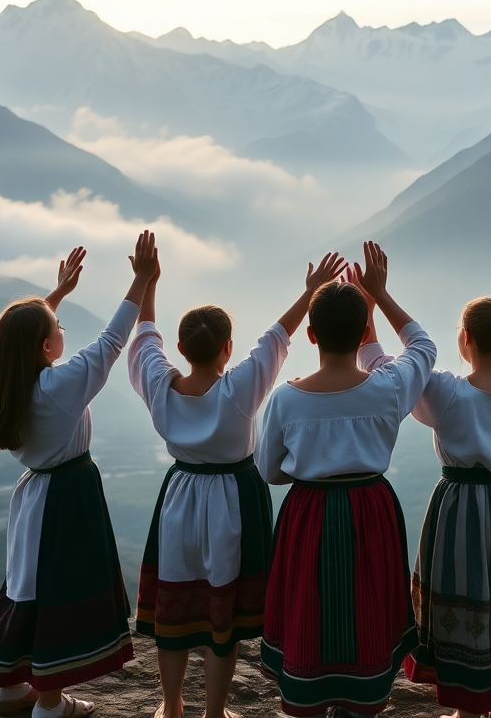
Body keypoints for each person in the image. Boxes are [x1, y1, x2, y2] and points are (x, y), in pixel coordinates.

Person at [129, 252, 348, 718]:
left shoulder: (160, 387)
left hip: (180, 498)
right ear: (228, 348)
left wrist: (146, 282)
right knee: (219, 617)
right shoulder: (239, 389)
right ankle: (214, 713)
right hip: (233, 498)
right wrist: (311, 291)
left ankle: (170, 707)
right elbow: (276, 338)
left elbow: (145, 338)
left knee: (176, 607)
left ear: (183, 351)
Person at [0, 233, 157, 718]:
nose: (64, 332)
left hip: (35, 499)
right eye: (58, 326)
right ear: (45, 344)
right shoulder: (56, 387)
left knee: (25, 587)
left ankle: (10, 689)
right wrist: (139, 281)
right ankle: (50, 704)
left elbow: (17, 340)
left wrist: (53, 299)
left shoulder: (11, 385)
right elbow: (111, 341)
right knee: (58, 592)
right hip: (66, 500)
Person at [256, 241, 435, 718]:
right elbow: (424, 346)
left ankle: (308, 695)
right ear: (364, 333)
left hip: (308, 512)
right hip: (370, 508)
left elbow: (268, 470)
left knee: (308, 603)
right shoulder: (389, 386)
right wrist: (380, 294)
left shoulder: (285, 400)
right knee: (367, 600)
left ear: (310, 335)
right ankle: (362, 697)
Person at [375, 252, 491, 718]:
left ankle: (469, 707)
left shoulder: (448, 391)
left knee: (464, 595)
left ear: (465, 339)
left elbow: (396, 371)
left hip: (459, 508)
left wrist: (375, 304)